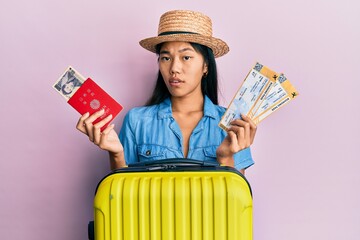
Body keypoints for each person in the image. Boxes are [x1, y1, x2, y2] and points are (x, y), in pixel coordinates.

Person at [76, 10, 257, 174]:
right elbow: (122, 197)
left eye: (186, 57)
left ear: (206, 66)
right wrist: (116, 154)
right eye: (165, 58)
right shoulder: (136, 121)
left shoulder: (232, 125)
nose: (174, 68)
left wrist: (225, 159)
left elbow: (235, 203)